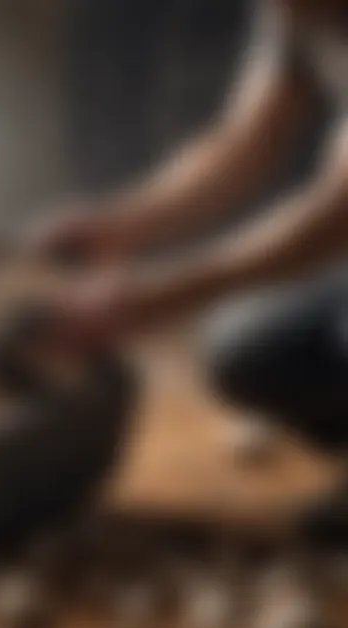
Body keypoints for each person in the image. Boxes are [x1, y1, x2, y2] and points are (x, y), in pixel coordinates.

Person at [29, 0, 348, 460]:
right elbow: (246, 139)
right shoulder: (296, 12)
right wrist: (122, 224)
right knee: (248, 352)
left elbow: (334, 218)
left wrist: (162, 294)